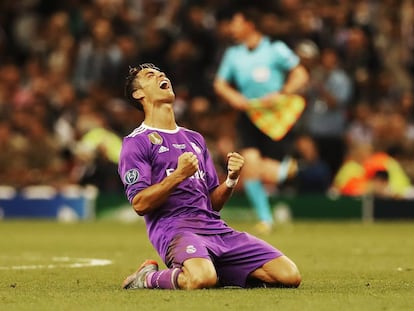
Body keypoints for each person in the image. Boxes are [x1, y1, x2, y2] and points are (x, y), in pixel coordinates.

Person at [118, 63, 301, 290]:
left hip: (216, 229)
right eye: (150, 75)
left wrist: (232, 179)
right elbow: (140, 204)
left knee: (289, 275)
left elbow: (212, 204)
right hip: (176, 230)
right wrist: (178, 175)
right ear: (139, 94)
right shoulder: (137, 142)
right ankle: (146, 278)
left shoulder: (194, 139)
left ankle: (218, 270)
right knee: (200, 279)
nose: (161, 76)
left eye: (161, 73)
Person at [213, 6, 309, 233]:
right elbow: (219, 84)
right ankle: (266, 218)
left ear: (249, 24)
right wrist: (235, 98)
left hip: (276, 117)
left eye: (236, 23)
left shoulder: (275, 49)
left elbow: (301, 74)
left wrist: (283, 92)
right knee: (250, 164)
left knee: (262, 169)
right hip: (250, 115)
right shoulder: (233, 54)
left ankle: (286, 173)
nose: (232, 29)